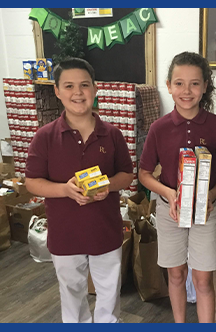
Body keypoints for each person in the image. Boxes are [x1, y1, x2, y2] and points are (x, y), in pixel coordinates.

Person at [25, 57, 133, 323]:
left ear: (95, 89)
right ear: (57, 91)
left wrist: (107, 185)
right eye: (69, 86)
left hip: (105, 230)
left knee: (109, 293)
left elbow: (127, 175)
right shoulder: (45, 137)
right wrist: (65, 190)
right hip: (65, 232)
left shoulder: (112, 134)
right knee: (72, 294)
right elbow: (31, 182)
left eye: (84, 85)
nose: (78, 93)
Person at [138, 51, 216, 323]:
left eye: (195, 83)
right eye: (179, 83)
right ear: (168, 85)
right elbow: (144, 174)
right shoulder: (159, 128)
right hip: (170, 211)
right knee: (176, 273)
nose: (186, 90)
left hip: (207, 212)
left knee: (203, 279)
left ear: (205, 86)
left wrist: (211, 196)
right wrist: (168, 193)